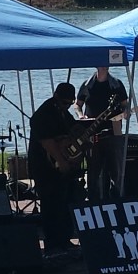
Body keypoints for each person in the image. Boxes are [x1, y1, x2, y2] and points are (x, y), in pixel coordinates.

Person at [28, 82, 82, 251]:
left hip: (60, 167)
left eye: (70, 103)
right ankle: (53, 243)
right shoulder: (43, 114)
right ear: (56, 97)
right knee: (51, 205)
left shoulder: (63, 113)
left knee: (65, 203)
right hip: (44, 167)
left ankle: (64, 240)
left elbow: (72, 129)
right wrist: (62, 161)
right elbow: (47, 142)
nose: (67, 106)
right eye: (65, 103)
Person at [76, 64, 128, 201]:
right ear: (96, 66)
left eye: (107, 65)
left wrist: (125, 112)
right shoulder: (87, 85)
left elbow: (125, 104)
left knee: (116, 169)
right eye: (102, 65)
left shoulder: (116, 84)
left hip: (113, 131)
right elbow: (77, 104)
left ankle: (117, 199)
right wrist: (81, 116)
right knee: (93, 170)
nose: (105, 67)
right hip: (92, 132)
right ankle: (93, 200)